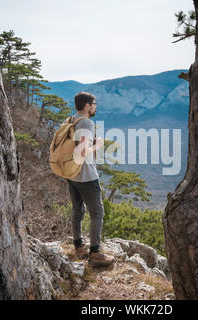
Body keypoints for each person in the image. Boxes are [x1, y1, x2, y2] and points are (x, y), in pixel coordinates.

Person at [67, 91, 115, 267]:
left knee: (77, 210)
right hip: (86, 175)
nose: (95, 107)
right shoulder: (86, 122)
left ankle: (79, 246)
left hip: (72, 173)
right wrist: (97, 146)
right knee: (97, 213)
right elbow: (81, 152)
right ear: (87, 106)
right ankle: (95, 253)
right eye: (94, 104)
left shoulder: (72, 120)